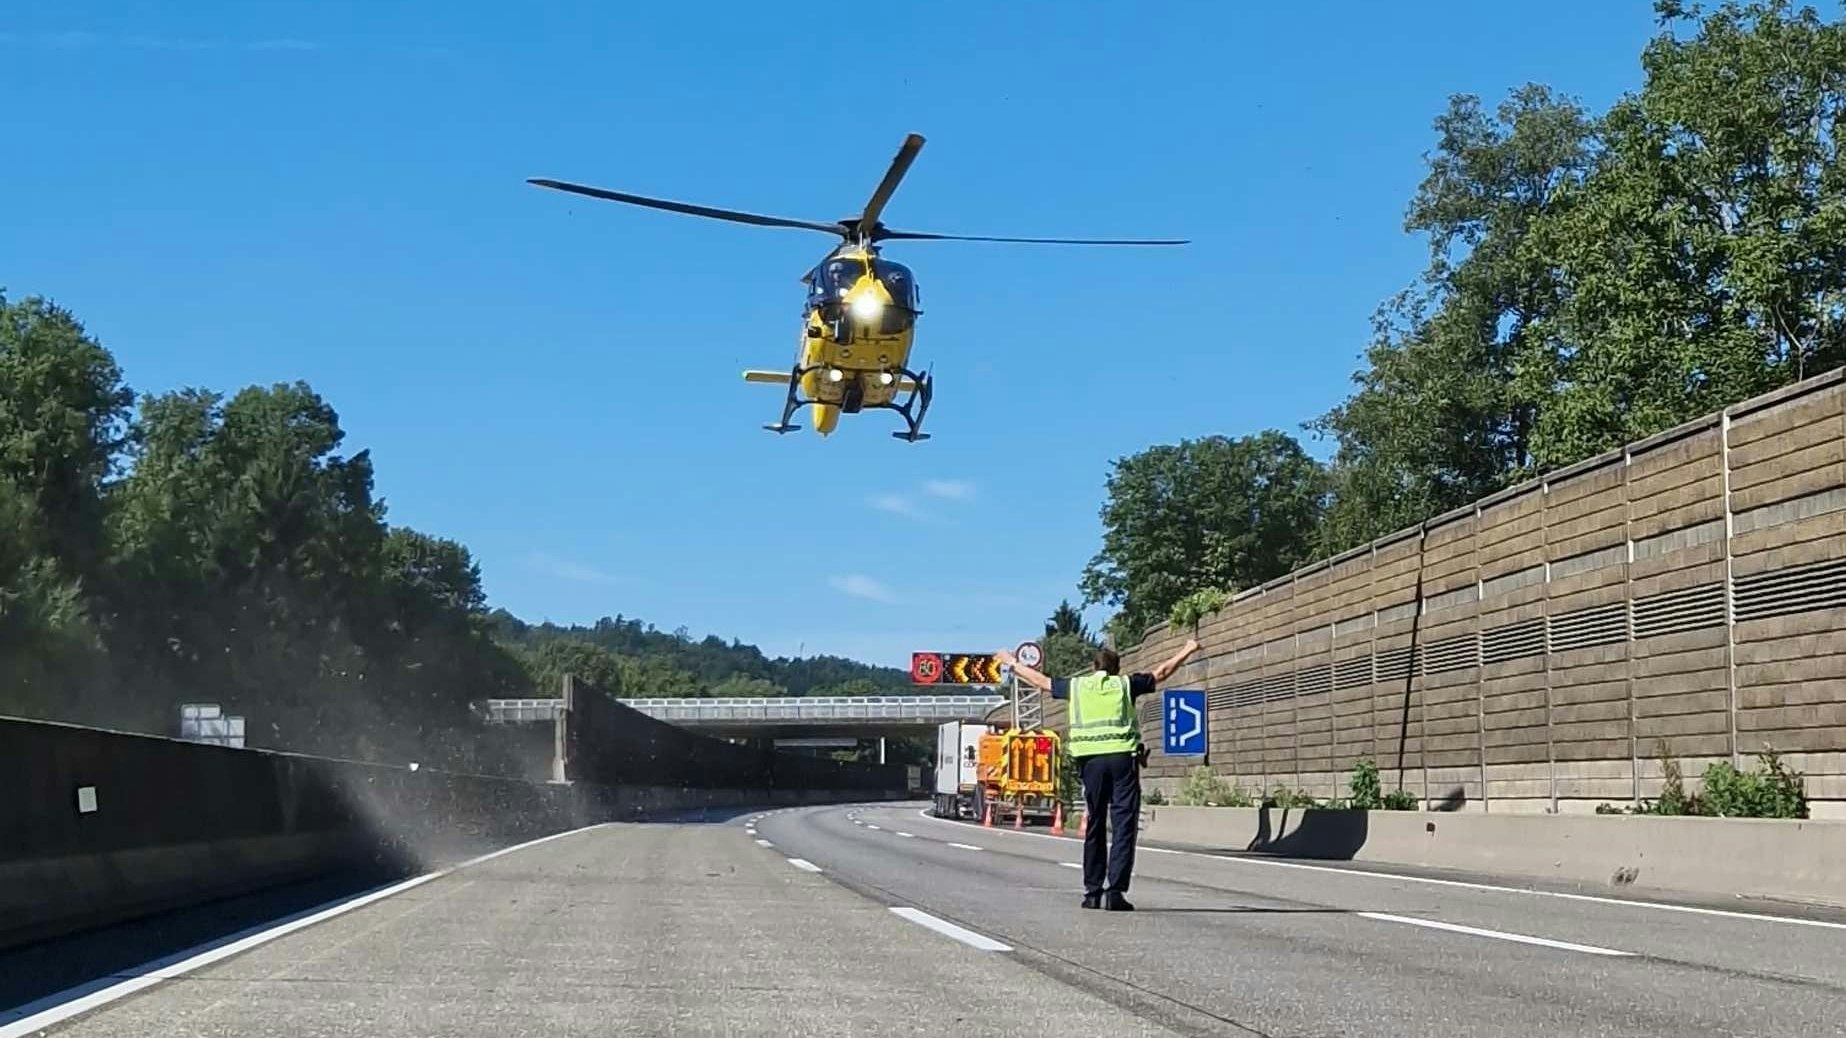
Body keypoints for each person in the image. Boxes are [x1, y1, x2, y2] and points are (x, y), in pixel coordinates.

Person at [998, 637, 1201, 911]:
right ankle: (1114, 892)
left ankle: (1092, 892)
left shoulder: (1078, 687)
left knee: (1095, 823)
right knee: (1123, 826)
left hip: (1090, 763)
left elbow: (1041, 682)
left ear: (1093, 667)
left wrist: (1012, 663)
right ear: (1117, 668)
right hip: (1122, 761)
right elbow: (1162, 672)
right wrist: (1187, 649)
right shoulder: (1125, 684)